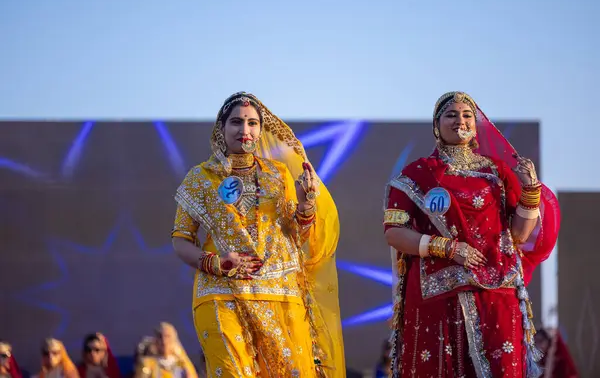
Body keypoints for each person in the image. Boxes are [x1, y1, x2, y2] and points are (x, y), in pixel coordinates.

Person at [383, 91, 560, 377]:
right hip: (439, 293)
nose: (460, 121)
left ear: (476, 125)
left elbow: (517, 234)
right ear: (436, 125)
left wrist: (530, 192)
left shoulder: (496, 172)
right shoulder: (417, 174)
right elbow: (394, 233)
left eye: (467, 115)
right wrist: (448, 248)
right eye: (451, 115)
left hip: (498, 290)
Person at [171, 92, 344, 377]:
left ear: (261, 131)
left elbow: (296, 237)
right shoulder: (200, 178)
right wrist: (215, 263)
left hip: (281, 295)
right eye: (236, 122)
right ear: (221, 128)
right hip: (220, 292)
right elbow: (181, 239)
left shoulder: (278, 175)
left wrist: (306, 205)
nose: (245, 130)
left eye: (253, 123)